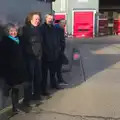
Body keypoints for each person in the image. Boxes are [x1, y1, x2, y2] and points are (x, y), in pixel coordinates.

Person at [0, 23, 28, 113]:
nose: (13, 32)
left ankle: (15, 108)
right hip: (10, 69)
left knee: (16, 89)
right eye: (11, 31)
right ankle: (11, 106)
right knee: (10, 89)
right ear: (8, 32)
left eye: (15, 31)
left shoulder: (19, 40)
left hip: (18, 69)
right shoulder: (5, 42)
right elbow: (3, 57)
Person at [21, 12, 42, 104]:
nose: (38, 20)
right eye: (36, 19)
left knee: (38, 77)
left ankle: (37, 95)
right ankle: (27, 99)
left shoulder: (39, 29)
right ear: (30, 19)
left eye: (39, 19)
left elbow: (41, 43)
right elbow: (23, 43)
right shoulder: (25, 29)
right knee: (29, 78)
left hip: (38, 57)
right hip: (29, 57)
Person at [40, 14, 62, 95]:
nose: (50, 20)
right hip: (45, 55)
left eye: (52, 19)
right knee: (44, 74)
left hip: (54, 54)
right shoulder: (42, 28)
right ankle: (43, 90)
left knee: (53, 72)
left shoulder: (54, 28)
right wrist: (45, 52)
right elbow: (41, 42)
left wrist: (58, 49)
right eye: (49, 18)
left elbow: (57, 40)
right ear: (45, 18)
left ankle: (54, 84)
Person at [54, 19, 68, 85]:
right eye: (63, 23)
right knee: (58, 66)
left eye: (65, 23)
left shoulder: (60, 28)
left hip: (59, 50)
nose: (64, 24)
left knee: (58, 66)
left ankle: (59, 80)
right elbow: (58, 40)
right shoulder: (58, 29)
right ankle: (59, 80)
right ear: (59, 23)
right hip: (58, 51)